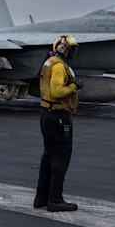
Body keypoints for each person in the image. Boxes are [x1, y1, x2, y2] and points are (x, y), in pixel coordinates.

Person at [34, 35, 83, 212]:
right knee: (61, 157)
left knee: (48, 156)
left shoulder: (50, 61)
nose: (73, 53)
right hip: (59, 117)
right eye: (72, 49)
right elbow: (57, 91)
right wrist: (75, 86)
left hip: (47, 114)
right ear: (63, 48)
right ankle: (55, 199)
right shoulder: (60, 66)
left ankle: (41, 198)